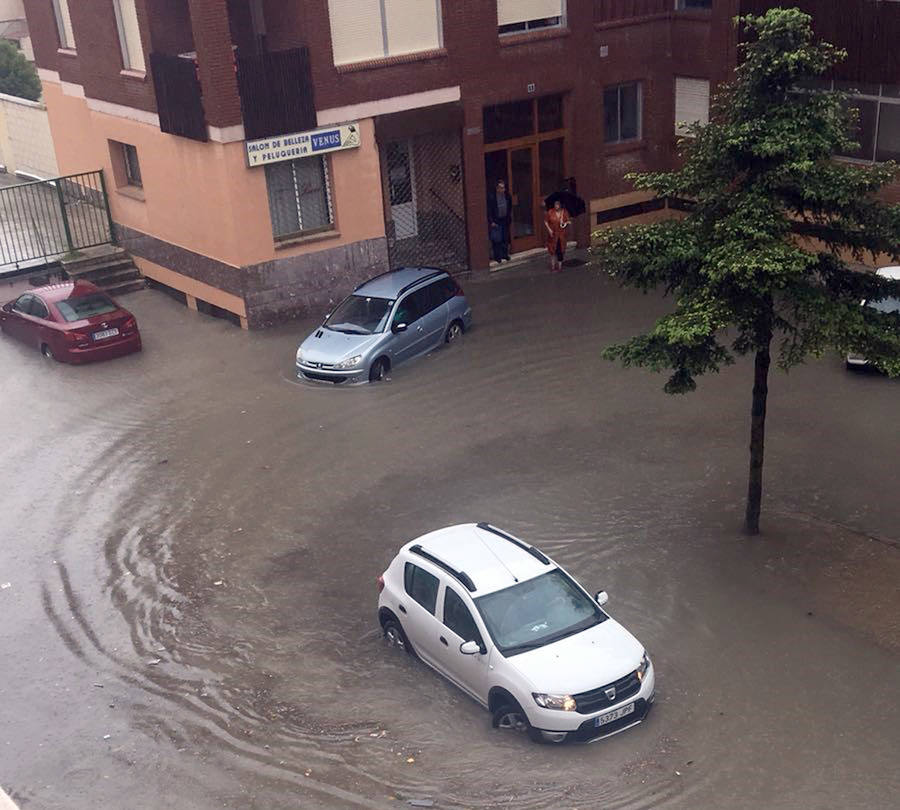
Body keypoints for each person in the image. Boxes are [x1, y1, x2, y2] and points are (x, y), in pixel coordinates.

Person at [487, 179, 512, 263]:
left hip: (505, 219)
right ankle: (497, 256)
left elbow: (510, 207)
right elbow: (489, 210)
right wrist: (491, 221)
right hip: (496, 220)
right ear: (497, 188)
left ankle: (505, 254)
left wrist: (509, 217)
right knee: (497, 239)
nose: (503, 190)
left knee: (505, 237)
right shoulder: (492, 197)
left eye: (504, 188)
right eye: (501, 188)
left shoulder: (507, 196)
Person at [544, 199, 570, 273]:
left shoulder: (564, 212)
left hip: (561, 235)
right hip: (553, 235)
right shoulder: (550, 212)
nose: (556, 206)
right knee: (552, 251)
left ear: (560, 205)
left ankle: (559, 267)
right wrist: (549, 229)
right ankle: (552, 267)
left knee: (560, 250)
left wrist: (565, 223)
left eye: (558, 204)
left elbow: (568, 221)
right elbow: (546, 221)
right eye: (555, 204)